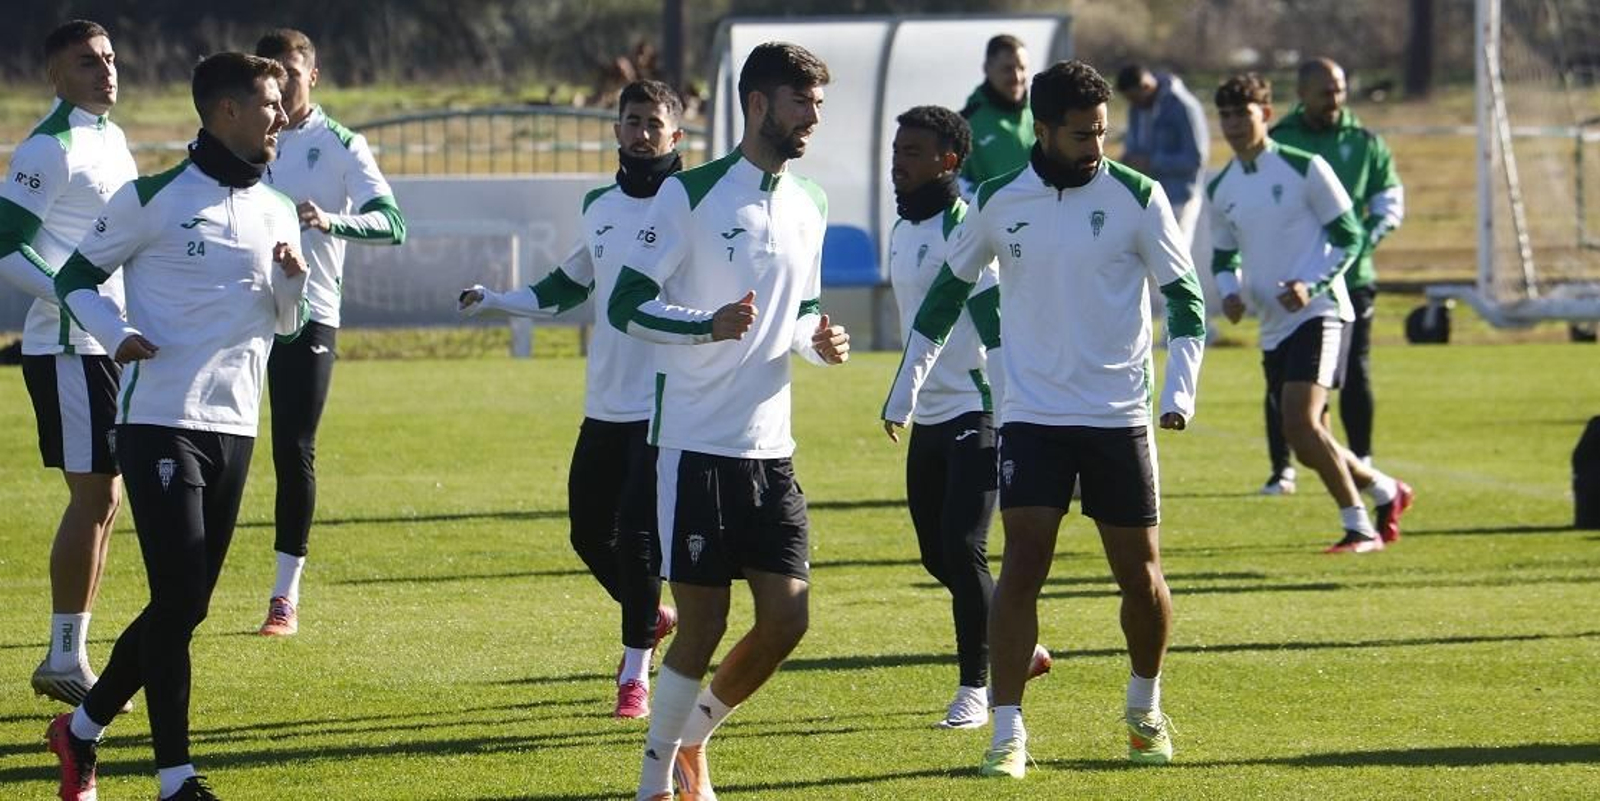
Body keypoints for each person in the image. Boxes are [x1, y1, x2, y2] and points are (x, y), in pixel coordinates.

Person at [884, 59, 1206, 778]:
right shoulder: (999, 201)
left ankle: (1144, 707)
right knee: (1022, 560)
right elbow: (946, 295)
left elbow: (1185, 299)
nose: (1095, 145)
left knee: (1139, 572)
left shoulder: (1138, 197)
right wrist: (904, 389)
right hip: (1030, 413)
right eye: (1081, 133)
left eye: (1102, 131)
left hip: (1118, 413)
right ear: (1043, 128)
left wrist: (1177, 393)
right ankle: (1007, 732)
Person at [47, 51, 305, 801]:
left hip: (235, 423)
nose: (281, 116)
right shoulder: (153, 196)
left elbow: (287, 328)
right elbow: (75, 278)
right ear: (224, 112)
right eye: (268, 104)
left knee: (182, 605)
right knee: (182, 598)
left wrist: (290, 288)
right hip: (160, 419)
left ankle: (83, 730)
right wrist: (114, 331)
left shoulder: (279, 209)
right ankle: (175, 777)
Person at [607, 42, 847, 801]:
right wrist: (703, 325)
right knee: (703, 624)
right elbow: (625, 304)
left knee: (788, 620)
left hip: (771, 448)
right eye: (800, 101)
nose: (812, 116)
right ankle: (651, 784)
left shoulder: (813, 201)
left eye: (818, 104)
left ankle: (694, 740)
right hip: (695, 445)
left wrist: (820, 342)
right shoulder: (690, 194)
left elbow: (802, 312)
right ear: (757, 104)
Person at [458, 79, 686, 718]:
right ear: (616, 130)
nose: (642, 133)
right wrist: (500, 298)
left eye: (654, 124)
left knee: (640, 540)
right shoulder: (599, 205)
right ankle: (652, 614)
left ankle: (634, 676)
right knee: (588, 534)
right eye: (632, 121)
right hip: (605, 399)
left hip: (666, 399)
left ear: (677, 136)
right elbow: (569, 283)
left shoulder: (692, 203)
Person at [880, 104, 1050, 730]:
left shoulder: (965, 227)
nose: (899, 162)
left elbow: (996, 330)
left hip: (977, 410)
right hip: (928, 414)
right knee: (936, 555)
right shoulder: (902, 229)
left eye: (913, 152)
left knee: (962, 547)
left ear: (949, 161)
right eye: (897, 150)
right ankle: (1017, 644)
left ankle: (976, 689)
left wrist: (1009, 418)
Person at [1206, 72, 1412, 555]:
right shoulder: (1222, 187)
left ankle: (1358, 526)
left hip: (1322, 310)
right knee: (1307, 437)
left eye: (1245, 113)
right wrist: (1229, 291)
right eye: (1227, 115)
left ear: (1267, 115)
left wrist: (1311, 283)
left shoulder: (1305, 166)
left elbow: (1349, 236)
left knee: (1299, 421)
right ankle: (1387, 491)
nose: (1235, 124)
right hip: (1272, 327)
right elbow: (1222, 257)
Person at [0, 19, 137, 708]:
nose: (105, 71)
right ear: (56, 74)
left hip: (103, 344)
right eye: (87, 62)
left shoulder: (110, 139)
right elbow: (3, 244)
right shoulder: (49, 148)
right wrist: (75, 298)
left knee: (106, 496)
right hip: (65, 345)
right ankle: (62, 654)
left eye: (109, 58)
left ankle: (71, 649)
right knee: (93, 497)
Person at [253, 28, 407, 637]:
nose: (281, 83)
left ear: (311, 75)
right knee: (217, 450)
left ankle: (284, 597)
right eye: (271, 73)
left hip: (310, 311)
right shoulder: (240, 140)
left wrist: (330, 221)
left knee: (293, 449)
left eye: (291, 71)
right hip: (238, 311)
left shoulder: (341, 144)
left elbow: (392, 221)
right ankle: (190, 589)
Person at [1262, 57, 1406, 492]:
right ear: (1302, 92)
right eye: (1326, 91)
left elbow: (1389, 202)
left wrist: (1361, 241)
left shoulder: (1364, 140)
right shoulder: (1279, 140)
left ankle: (1361, 457)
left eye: (1340, 90)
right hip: (1291, 280)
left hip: (1351, 276)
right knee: (1282, 378)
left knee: (1356, 371)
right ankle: (1282, 468)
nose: (1335, 99)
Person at [1114, 64, 1209, 250]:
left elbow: (1196, 159)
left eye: (1134, 98)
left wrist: (1152, 162)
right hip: (1146, 198)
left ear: (1146, 86)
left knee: (1174, 259)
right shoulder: (1137, 107)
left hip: (1178, 197)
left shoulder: (1182, 105)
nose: (1132, 104)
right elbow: (1133, 146)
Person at [959, 34, 1034, 192]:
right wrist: (997, 200)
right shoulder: (965, 123)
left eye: (1022, 68)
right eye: (1007, 69)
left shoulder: (1041, 113)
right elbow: (954, 184)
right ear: (987, 68)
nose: (1017, 77)